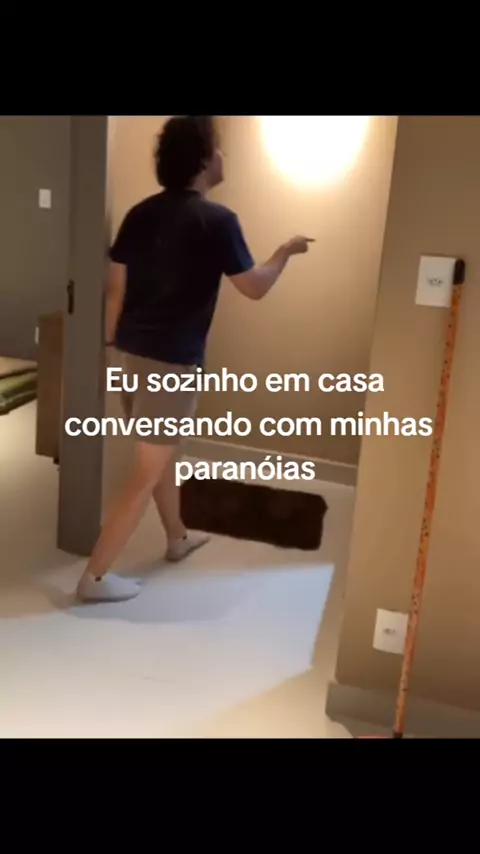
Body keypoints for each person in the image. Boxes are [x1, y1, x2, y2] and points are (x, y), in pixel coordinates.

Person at [77, 115, 314, 602]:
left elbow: (115, 289)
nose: (224, 157)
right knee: (145, 472)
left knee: (163, 455)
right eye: (219, 149)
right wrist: (284, 252)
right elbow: (254, 287)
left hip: (133, 356)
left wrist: (109, 350)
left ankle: (177, 538)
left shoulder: (141, 214)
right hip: (171, 365)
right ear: (204, 160)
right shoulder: (218, 221)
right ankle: (94, 578)